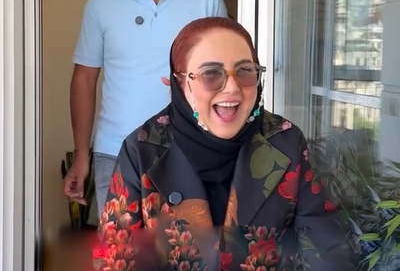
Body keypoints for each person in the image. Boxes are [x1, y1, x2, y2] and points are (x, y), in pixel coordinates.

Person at [93, 17, 353, 271]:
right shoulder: (143, 149)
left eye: (244, 71)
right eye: (211, 73)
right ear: (180, 82)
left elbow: (325, 248)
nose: (232, 88)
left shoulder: (285, 140)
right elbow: (115, 257)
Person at [63, 0, 228, 216]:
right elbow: (84, 80)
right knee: (119, 247)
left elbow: (224, 81)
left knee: (184, 246)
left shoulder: (208, 0)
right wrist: (82, 156)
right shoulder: (101, 2)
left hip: (188, 152)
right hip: (115, 152)